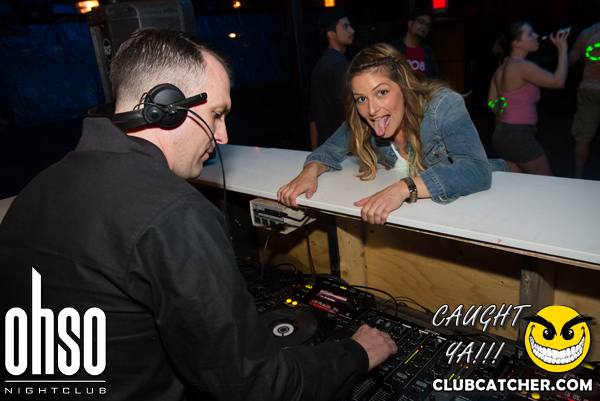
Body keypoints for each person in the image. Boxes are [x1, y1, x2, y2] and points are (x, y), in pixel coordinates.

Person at [0, 28, 397, 401]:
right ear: (168, 108)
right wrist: (355, 353)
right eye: (217, 114)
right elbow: (255, 384)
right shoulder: (173, 213)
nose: (222, 136)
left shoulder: (39, 187)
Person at [278, 43, 506, 225]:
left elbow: (477, 171)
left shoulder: (444, 105)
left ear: (404, 87)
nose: (371, 109)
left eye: (382, 92)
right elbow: (329, 149)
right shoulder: (363, 120)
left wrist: (404, 188)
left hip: (479, 214)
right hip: (415, 221)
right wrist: (310, 171)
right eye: (361, 98)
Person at [487, 22, 570, 175]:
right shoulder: (522, 67)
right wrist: (563, 49)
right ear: (517, 43)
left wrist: (506, 115)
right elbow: (558, 81)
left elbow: (491, 102)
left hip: (501, 133)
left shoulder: (501, 68)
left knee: (516, 182)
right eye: (530, 34)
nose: (536, 35)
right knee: (547, 181)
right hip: (519, 135)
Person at [309, 8, 355, 150]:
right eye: (345, 27)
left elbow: (312, 116)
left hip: (327, 149)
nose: (352, 31)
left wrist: (314, 150)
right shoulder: (340, 66)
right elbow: (346, 115)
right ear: (331, 34)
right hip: (343, 151)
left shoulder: (320, 64)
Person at [568, 21, 600, 179]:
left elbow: (572, 59)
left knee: (583, 136)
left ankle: (578, 177)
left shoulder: (588, 32)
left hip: (589, 88)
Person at [389, 7, 438, 79]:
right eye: (421, 22)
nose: (424, 27)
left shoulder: (427, 51)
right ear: (410, 23)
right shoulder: (394, 48)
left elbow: (434, 78)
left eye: (427, 25)